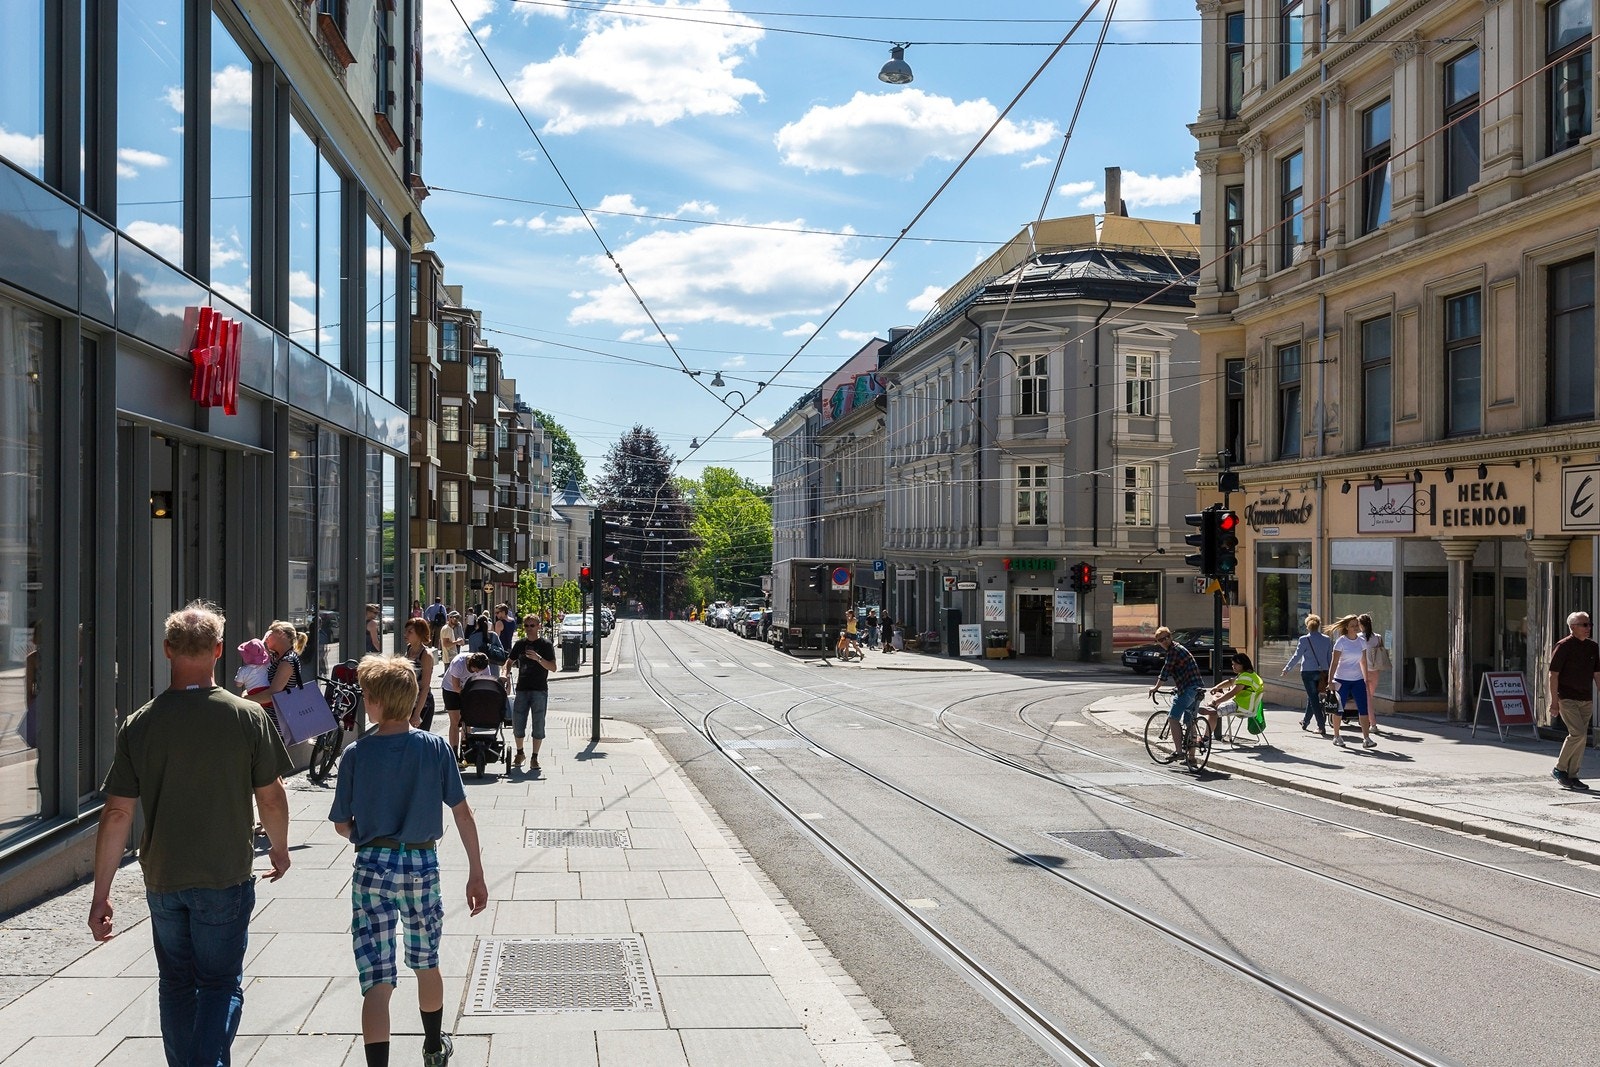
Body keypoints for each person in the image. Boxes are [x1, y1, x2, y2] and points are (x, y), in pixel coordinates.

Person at [89, 601, 293, 1067]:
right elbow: (273, 796)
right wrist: (279, 849)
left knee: (177, 984)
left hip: (164, 877)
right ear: (219, 650)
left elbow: (117, 814)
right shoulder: (245, 716)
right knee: (220, 984)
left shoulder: (140, 724)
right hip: (224, 874)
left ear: (167, 650)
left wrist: (101, 895)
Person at [329, 654, 487, 1067]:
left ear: (377, 703)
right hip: (420, 865)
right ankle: (433, 1047)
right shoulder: (434, 747)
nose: (364, 701)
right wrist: (476, 873)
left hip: (371, 867)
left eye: (366, 695)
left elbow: (342, 825)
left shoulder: (356, 755)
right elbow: (462, 813)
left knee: (377, 981)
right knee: (425, 960)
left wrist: (362, 835)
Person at [1550, 611, 1600, 791]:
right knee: (1578, 734)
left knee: (1581, 737)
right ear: (1573, 627)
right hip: (1567, 698)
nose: (1588, 628)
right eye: (1584, 625)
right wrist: (1554, 701)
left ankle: (1572, 775)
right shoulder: (1563, 646)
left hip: (1585, 699)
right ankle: (1559, 769)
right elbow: (1553, 675)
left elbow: (1597, 673)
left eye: (1589, 624)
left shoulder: (1593, 647)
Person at [507, 614, 558, 771]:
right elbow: (509, 661)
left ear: (539, 627)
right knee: (518, 723)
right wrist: (505, 675)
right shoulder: (520, 644)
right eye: (527, 625)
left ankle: (534, 757)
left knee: (538, 724)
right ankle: (520, 752)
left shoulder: (546, 645)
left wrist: (538, 658)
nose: (529, 628)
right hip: (522, 689)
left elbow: (553, 667)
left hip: (539, 689)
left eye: (532, 625)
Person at [1149, 626, 1206, 764]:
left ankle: (1179, 752)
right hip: (1196, 688)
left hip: (1189, 689)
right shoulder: (1179, 648)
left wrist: (1156, 688)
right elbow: (1185, 672)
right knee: (1189, 721)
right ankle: (1191, 759)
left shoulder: (1173, 651)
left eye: (1164, 638)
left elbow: (1165, 672)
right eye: (1159, 640)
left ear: (1170, 637)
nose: (1162, 642)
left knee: (1173, 719)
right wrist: (1177, 687)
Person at [247, 620, 308, 734]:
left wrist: (244, 700)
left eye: (270, 634)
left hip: (275, 723)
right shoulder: (276, 657)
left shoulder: (288, 660)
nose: (266, 637)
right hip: (264, 717)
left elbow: (273, 694)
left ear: (281, 633)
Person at [442, 650, 500, 765]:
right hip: (451, 690)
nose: (477, 672)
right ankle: (454, 754)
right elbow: (456, 687)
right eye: (475, 670)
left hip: (469, 690)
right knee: (455, 721)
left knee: (468, 720)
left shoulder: (483, 666)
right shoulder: (458, 663)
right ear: (469, 663)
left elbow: (486, 682)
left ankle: (467, 752)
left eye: (480, 670)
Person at [1328, 614, 1377, 749]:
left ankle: (1366, 739)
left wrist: (1365, 678)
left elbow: (1363, 661)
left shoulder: (1361, 641)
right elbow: (1334, 662)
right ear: (1347, 628)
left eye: (1357, 625)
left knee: (1363, 708)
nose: (1356, 627)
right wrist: (1330, 680)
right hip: (1341, 679)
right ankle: (1336, 736)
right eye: (1353, 625)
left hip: (1358, 680)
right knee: (1339, 709)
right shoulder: (1341, 642)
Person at [1283, 614, 1334, 736]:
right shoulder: (1327, 639)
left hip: (1308, 672)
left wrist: (1287, 668)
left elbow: (1297, 656)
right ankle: (1305, 721)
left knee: (1313, 698)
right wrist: (1330, 673)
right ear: (1318, 626)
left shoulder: (1304, 640)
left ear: (1307, 626)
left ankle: (1321, 726)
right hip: (1323, 673)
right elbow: (1330, 658)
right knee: (1312, 697)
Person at [1203, 652, 1265, 738]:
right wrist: (1217, 687)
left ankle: (1206, 739)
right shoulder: (1250, 675)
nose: (1233, 666)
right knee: (1217, 695)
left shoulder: (1245, 678)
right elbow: (1231, 682)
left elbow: (1231, 694)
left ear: (1243, 664)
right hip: (1244, 705)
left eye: (1235, 664)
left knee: (1213, 712)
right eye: (1232, 664)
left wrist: (1215, 702)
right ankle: (1211, 705)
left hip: (1241, 706)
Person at [401, 619, 437, 731]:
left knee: (420, 741)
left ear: (420, 634)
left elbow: (425, 687)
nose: (405, 634)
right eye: (406, 631)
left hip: (423, 705)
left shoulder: (426, 655)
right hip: (408, 703)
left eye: (410, 632)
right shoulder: (409, 649)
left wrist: (417, 714)